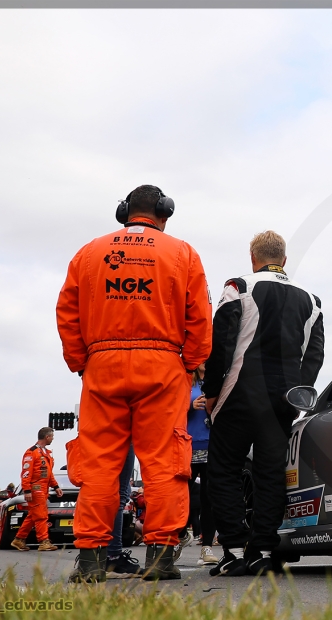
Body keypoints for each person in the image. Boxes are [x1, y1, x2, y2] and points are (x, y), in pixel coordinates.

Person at [56, 184, 212, 581]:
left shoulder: (89, 253)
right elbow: (199, 316)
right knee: (164, 464)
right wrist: (191, 363)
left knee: (99, 465)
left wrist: (80, 361)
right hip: (161, 367)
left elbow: (67, 310)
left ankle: (91, 561)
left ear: (124, 211)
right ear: (164, 212)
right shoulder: (183, 253)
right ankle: (159, 559)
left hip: (102, 366)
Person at [204, 230, 324, 576]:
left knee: (224, 471)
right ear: (283, 260)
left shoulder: (239, 287)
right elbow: (314, 355)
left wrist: (212, 394)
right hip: (283, 399)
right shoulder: (312, 300)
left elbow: (221, 343)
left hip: (239, 393)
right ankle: (264, 551)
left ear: (253, 257)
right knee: (271, 473)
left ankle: (235, 550)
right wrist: (300, 393)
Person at [11, 427, 62, 551]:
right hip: (36, 489)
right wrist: (27, 490)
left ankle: (19, 539)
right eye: (52, 437)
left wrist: (55, 486)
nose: (53, 439)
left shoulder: (46, 453)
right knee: (41, 516)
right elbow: (26, 473)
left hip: (43, 489)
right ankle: (44, 541)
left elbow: (49, 474)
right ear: (47, 437)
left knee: (33, 516)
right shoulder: (31, 452)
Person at [188, 364, 218, 565]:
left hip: (212, 446)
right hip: (187, 447)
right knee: (184, 498)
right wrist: (189, 406)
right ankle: (179, 536)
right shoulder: (185, 380)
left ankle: (207, 546)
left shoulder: (217, 379)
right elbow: (169, 407)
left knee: (209, 498)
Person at [104, 445, 143, 578]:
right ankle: (113, 558)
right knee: (118, 497)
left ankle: (92, 557)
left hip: (95, 437)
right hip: (120, 435)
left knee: (102, 495)